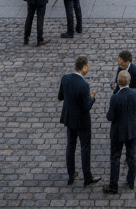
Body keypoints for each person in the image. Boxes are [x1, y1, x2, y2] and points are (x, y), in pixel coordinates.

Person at [59, 56, 100, 187]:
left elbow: (60, 97)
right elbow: (87, 106)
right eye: (87, 66)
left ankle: (71, 175)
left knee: (70, 146)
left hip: (69, 119)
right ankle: (87, 177)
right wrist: (92, 97)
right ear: (84, 67)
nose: (88, 68)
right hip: (82, 121)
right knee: (85, 148)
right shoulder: (84, 85)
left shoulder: (65, 78)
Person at [103, 70, 136, 194]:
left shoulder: (115, 97)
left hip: (118, 133)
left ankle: (113, 185)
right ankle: (130, 182)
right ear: (129, 81)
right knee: (132, 157)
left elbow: (110, 117)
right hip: (133, 130)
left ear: (118, 83)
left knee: (115, 158)